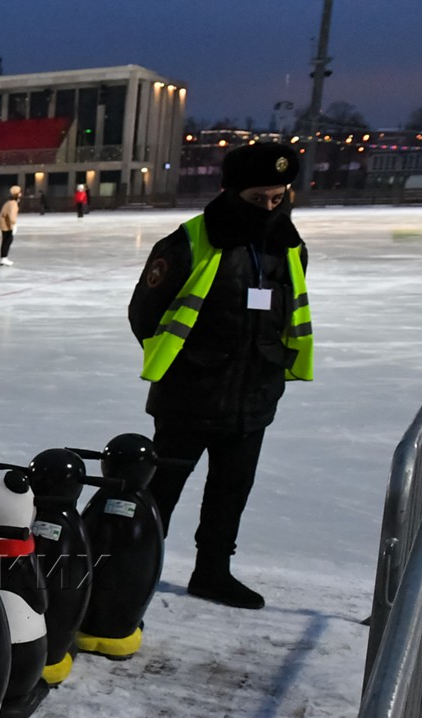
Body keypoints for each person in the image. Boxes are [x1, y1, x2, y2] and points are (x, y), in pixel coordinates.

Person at [128, 142, 313, 610]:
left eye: (279, 198)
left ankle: (212, 572)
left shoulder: (289, 249)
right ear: (232, 193)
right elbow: (144, 315)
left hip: (253, 399)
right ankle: (131, 573)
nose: (270, 209)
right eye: (258, 200)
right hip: (189, 399)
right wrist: (188, 365)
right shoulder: (187, 242)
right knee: (160, 496)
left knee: (231, 493)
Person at [0, 185, 21, 266]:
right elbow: (12, 215)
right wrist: (14, 225)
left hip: (4, 224)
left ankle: (4, 258)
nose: (21, 194)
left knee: (6, 241)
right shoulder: (13, 204)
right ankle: (4, 258)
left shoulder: (9, 202)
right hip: (7, 225)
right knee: (7, 241)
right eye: (19, 193)